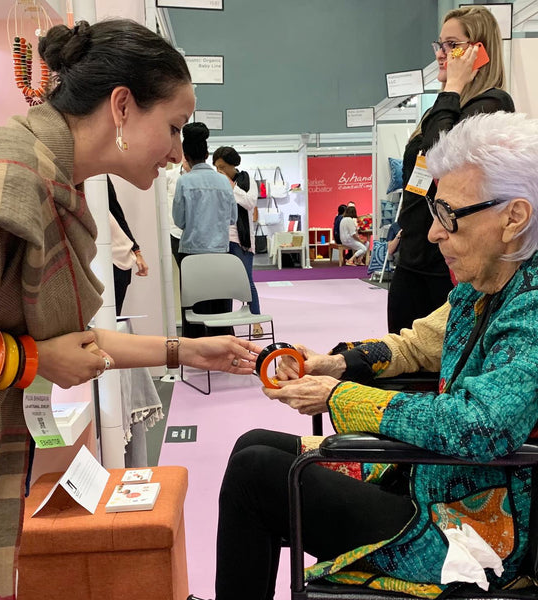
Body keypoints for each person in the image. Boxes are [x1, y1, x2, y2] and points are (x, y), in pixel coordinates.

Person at [0, 20, 260, 600]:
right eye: (173, 127)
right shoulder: (16, 180)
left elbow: (76, 345)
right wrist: (26, 357)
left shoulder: (55, 179)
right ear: (121, 106)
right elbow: (43, 351)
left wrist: (187, 349)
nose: (173, 152)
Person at [206, 111, 538, 600]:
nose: (433, 234)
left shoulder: (529, 307)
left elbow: (482, 424)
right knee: (254, 444)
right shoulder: (483, 284)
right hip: (429, 478)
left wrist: (342, 397)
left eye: (450, 216)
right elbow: (418, 343)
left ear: (514, 218)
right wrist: (334, 364)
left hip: (473, 530)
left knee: (257, 476)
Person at [387, 5, 515, 334]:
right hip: (414, 254)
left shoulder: (491, 104)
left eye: (452, 45)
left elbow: (441, 156)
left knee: (437, 371)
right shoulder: (447, 105)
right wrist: (407, 228)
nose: (442, 55)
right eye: (440, 45)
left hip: (447, 262)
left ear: (479, 50)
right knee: (399, 357)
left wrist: (453, 86)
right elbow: (421, 179)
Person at [173, 123, 237, 337]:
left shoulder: (184, 182)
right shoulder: (224, 182)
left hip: (191, 252)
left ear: (186, 155)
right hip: (220, 250)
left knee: (194, 305)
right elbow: (233, 218)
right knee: (220, 304)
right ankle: (223, 345)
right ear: (208, 154)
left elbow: (179, 220)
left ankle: (197, 350)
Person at [212, 146, 263, 337]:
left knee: (247, 282)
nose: (220, 171)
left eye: (223, 167)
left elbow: (250, 203)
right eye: (217, 167)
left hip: (241, 240)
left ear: (233, 165)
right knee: (222, 286)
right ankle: (226, 325)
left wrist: (231, 186)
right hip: (219, 239)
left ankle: (256, 321)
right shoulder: (215, 182)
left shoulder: (247, 180)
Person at [107, 174, 149, 315]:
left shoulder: (99, 178)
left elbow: (117, 213)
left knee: (113, 318)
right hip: (91, 259)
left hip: (118, 259)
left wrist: (137, 251)